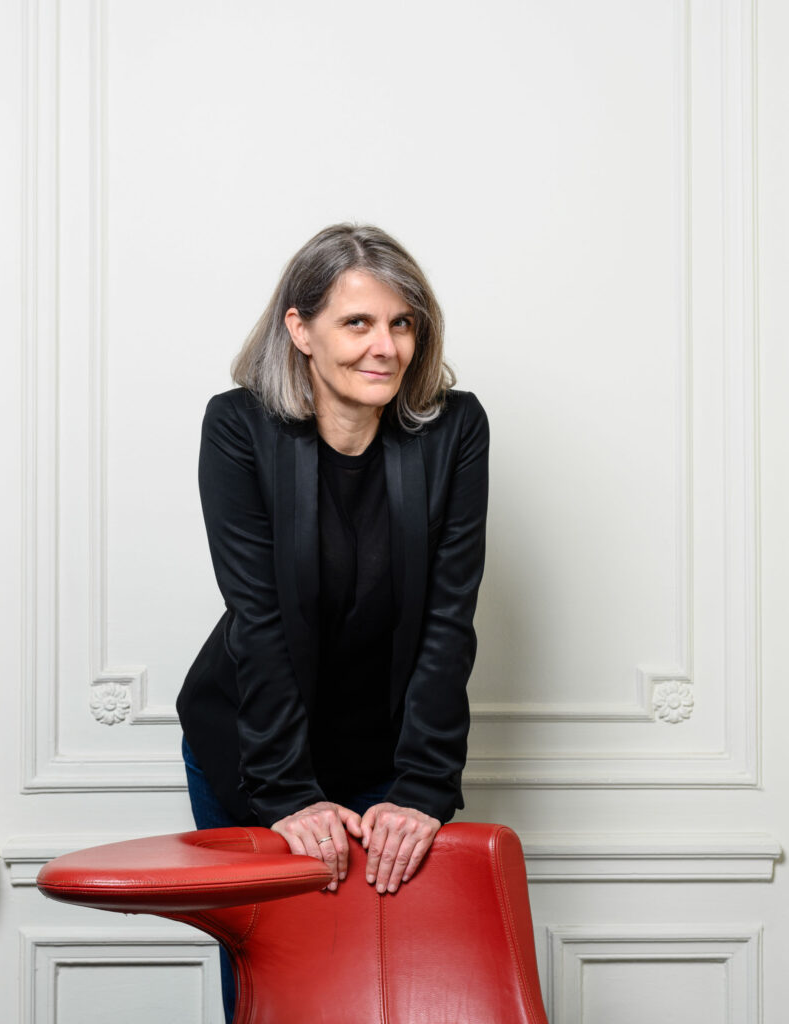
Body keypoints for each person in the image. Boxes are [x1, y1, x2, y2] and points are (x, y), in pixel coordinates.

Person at [176, 222, 489, 1021]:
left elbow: (448, 619)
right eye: (357, 322)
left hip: (385, 752)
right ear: (300, 328)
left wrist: (423, 788)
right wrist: (288, 795)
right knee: (276, 974)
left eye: (401, 322)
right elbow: (259, 621)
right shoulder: (238, 427)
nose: (385, 346)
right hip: (253, 744)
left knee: (379, 978)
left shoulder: (454, 429)